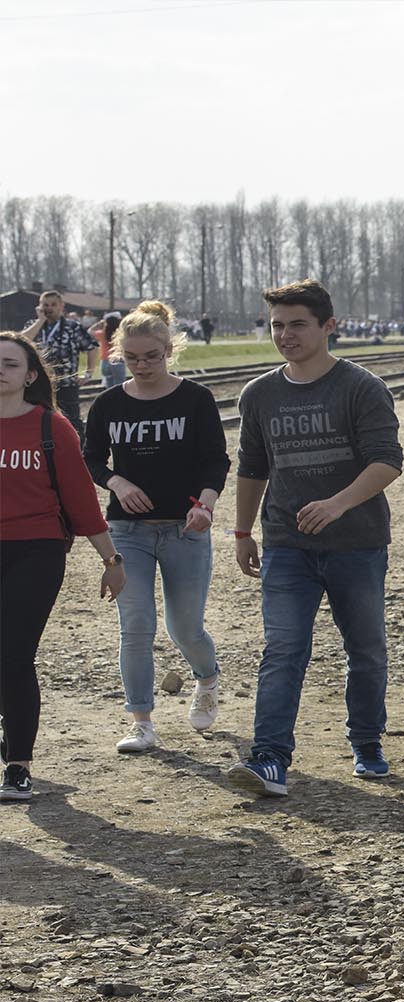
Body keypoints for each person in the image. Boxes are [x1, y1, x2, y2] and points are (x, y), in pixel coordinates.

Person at [227, 280, 403, 798]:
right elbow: (253, 468)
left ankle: (366, 741)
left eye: (297, 324)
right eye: (277, 325)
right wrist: (242, 530)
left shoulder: (360, 387)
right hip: (286, 544)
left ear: (329, 326)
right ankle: (270, 760)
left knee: (366, 650)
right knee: (283, 649)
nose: (285, 335)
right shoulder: (259, 394)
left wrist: (337, 503)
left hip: (357, 542)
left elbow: (386, 461)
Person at [82, 301, 230, 754]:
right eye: (132, 358)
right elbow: (90, 459)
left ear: (169, 350)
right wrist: (117, 480)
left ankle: (207, 678)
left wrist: (206, 505)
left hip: (186, 529)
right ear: (118, 355)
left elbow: (215, 460)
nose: (143, 365)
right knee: (137, 624)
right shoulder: (109, 404)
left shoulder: (195, 399)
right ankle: (141, 722)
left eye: (152, 356)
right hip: (128, 531)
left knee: (185, 628)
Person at [1, 332, 126, 801]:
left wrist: (111, 559)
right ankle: (10, 721)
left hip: (36, 551)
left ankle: (18, 765)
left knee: (13, 657)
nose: (1, 371)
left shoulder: (52, 428)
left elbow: (81, 503)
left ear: (30, 376)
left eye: (10, 364)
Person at [22, 289, 98, 436]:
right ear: (39, 307)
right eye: (45, 305)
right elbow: (21, 342)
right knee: (38, 422)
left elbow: (92, 348)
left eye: (53, 304)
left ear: (61, 306)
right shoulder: (34, 325)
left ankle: (78, 455)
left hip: (66, 384)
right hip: (37, 384)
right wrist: (40, 321)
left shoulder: (72, 327)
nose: (49, 308)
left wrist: (88, 373)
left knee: (72, 423)